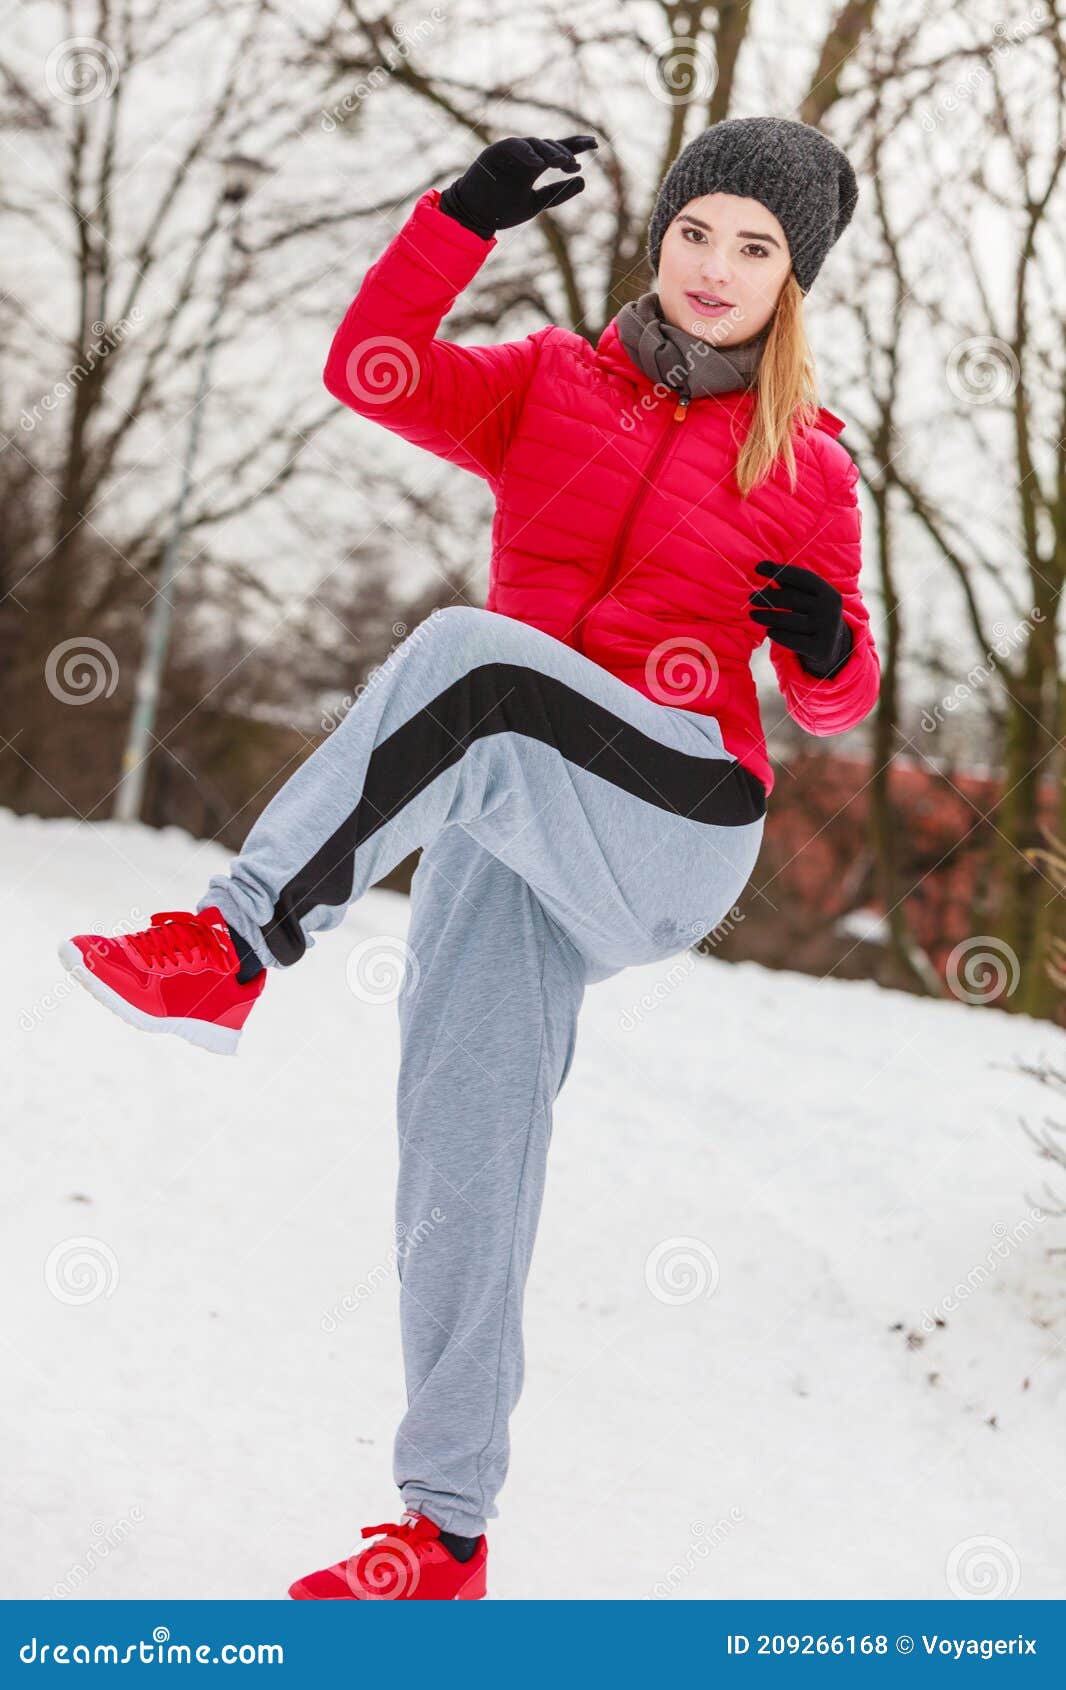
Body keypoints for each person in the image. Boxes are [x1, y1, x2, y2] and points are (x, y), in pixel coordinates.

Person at [58, 116, 880, 1600]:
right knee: (462, 1162)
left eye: (753, 250)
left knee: (468, 655)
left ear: (789, 284)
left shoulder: (806, 463)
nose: (714, 267)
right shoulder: (550, 382)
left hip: (673, 813)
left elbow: (838, 693)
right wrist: (458, 217)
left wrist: (824, 654)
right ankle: (443, 1531)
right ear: (660, 235)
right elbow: (367, 368)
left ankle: (236, 939)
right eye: (697, 229)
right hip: (516, 809)